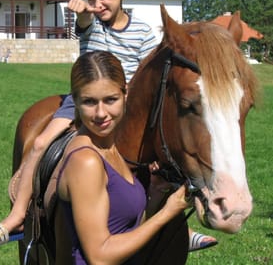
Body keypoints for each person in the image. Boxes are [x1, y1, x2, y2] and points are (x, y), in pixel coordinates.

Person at [0, 0, 216, 251]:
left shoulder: (141, 31)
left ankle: (179, 225)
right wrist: (82, 12)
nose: (98, 4)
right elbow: (84, 24)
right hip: (84, 103)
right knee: (41, 142)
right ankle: (17, 215)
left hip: (124, 103)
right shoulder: (91, 26)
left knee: (158, 158)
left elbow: (146, 70)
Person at [57, 50, 188, 264]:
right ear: (76, 101)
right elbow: (99, 256)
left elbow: (124, 231)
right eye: (89, 102)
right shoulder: (86, 161)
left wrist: (154, 196)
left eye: (111, 99)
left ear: (125, 94)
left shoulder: (108, 146)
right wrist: (167, 213)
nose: (101, 113)